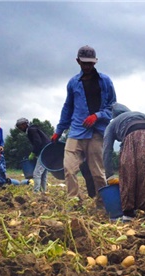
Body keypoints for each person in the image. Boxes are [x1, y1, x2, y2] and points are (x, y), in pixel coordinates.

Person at [52, 45, 116, 208]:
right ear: (78, 61)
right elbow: (68, 107)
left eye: (90, 63)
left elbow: (112, 106)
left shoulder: (105, 81)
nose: (87, 66)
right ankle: (74, 202)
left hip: (96, 133)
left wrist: (97, 115)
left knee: (97, 172)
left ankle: (103, 203)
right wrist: (59, 130)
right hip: (76, 131)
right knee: (69, 168)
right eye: (84, 63)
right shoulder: (73, 83)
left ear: (95, 62)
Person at [102, 103, 145, 220]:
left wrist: (109, 175)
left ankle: (128, 213)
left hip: (134, 133)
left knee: (129, 171)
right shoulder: (139, 115)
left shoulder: (112, 124)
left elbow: (107, 150)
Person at [15, 118, 50, 192]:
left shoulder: (31, 130)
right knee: (43, 174)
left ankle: (36, 192)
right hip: (48, 151)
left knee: (36, 173)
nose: (20, 129)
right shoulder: (33, 129)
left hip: (44, 152)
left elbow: (38, 142)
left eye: (20, 127)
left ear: (24, 124)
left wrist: (33, 152)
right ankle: (44, 192)